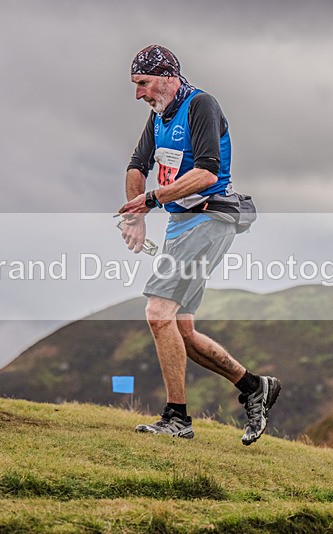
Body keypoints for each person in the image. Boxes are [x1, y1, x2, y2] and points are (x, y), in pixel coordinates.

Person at [118, 45, 280, 445]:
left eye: (143, 84)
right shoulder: (159, 116)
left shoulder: (200, 105)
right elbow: (137, 166)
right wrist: (136, 215)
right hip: (182, 225)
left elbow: (207, 173)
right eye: (135, 85)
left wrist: (152, 200)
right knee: (182, 329)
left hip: (210, 219)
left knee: (158, 314)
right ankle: (254, 386)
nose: (138, 94)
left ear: (167, 77)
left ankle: (176, 418)